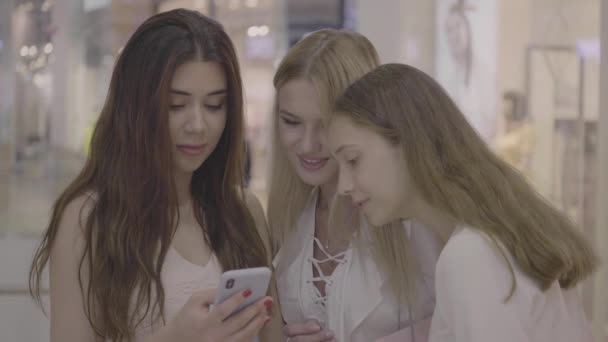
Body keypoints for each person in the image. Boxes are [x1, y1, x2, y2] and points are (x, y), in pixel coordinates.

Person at [28, 9, 282, 342]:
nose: (197, 125)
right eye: (176, 106)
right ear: (136, 107)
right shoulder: (88, 218)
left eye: (215, 105)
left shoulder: (243, 210)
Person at [327, 63, 598, 342]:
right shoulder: (491, 239)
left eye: (352, 160)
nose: (343, 186)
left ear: (408, 143)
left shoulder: (472, 254)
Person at [267, 30, 442, 342]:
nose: (307, 145)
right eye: (292, 122)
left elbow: (465, 322)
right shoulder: (286, 222)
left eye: (325, 125)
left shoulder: (419, 217)